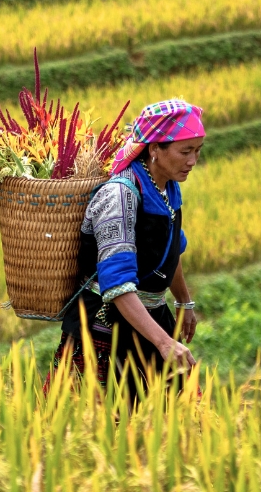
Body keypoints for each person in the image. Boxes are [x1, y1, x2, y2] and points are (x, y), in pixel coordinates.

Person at [53, 98, 204, 402]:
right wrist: (163, 343)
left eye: (197, 151)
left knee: (181, 426)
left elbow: (172, 249)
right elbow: (117, 285)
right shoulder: (120, 196)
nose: (192, 161)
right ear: (154, 150)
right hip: (107, 326)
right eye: (185, 152)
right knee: (107, 429)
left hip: (151, 318)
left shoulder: (168, 188)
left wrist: (184, 302)